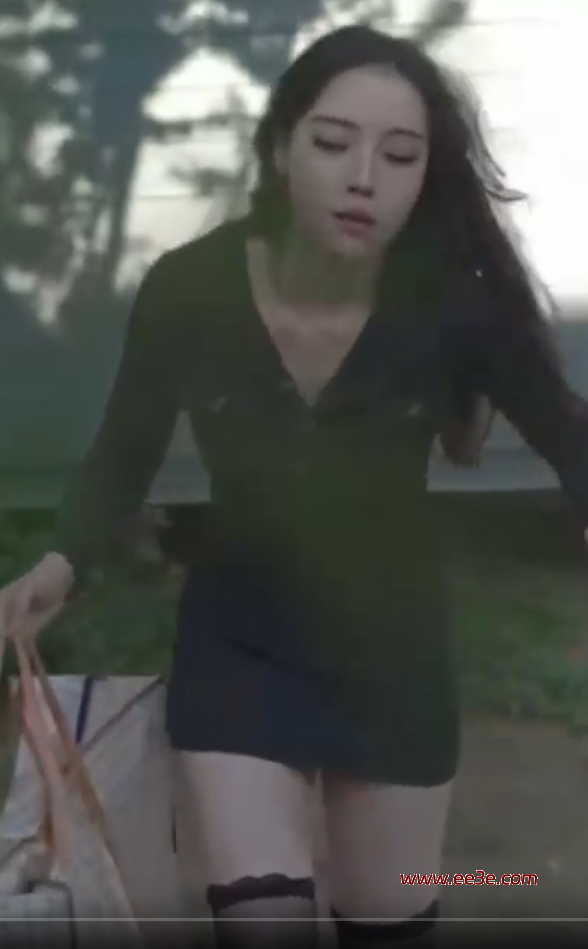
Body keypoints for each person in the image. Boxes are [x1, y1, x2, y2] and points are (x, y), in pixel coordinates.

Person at [1, 24, 588, 948]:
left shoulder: (454, 298)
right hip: (242, 646)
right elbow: (124, 449)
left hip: (394, 660)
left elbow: (565, 429)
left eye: (400, 156)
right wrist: (60, 561)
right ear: (280, 148)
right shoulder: (190, 287)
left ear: (423, 177)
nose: (364, 178)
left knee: (390, 918)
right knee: (262, 923)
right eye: (333, 142)